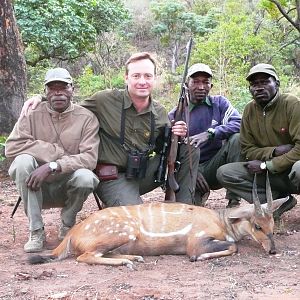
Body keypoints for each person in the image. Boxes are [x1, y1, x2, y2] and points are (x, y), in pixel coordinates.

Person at [22, 53, 199, 207]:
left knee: (189, 149)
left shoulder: (159, 112)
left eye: (148, 76)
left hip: (143, 172)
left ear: (154, 78)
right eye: (136, 76)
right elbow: (70, 108)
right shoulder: (104, 100)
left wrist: (177, 134)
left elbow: (166, 147)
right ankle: (119, 203)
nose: (142, 81)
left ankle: (186, 210)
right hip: (114, 176)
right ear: (126, 77)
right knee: (135, 219)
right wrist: (42, 97)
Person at [5, 68, 100, 253]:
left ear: (72, 89)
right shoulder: (31, 113)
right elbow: (11, 147)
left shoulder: (86, 118)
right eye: (52, 88)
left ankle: (67, 224)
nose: (58, 93)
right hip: (35, 186)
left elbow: (89, 158)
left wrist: (55, 165)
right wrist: (53, 152)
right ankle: (36, 230)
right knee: (22, 161)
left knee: (86, 177)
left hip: (67, 185)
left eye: (63, 87)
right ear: (45, 92)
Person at [217, 63, 299, 220]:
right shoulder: (249, 110)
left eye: (265, 82)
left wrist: (267, 164)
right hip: (267, 172)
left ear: (277, 83)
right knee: (225, 173)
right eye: (254, 84)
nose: (259, 87)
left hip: (290, 171)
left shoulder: (292, 104)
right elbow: (247, 149)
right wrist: (273, 151)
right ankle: (277, 201)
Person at [169, 63, 241, 207]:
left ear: (211, 85)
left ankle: (234, 200)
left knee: (237, 139)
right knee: (189, 210)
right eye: (195, 82)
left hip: (216, 166)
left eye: (205, 82)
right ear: (186, 84)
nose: (201, 87)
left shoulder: (220, 104)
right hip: (189, 172)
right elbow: (170, 154)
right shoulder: (175, 115)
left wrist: (211, 133)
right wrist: (191, 172)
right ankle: (198, 195)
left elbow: (239, 123)